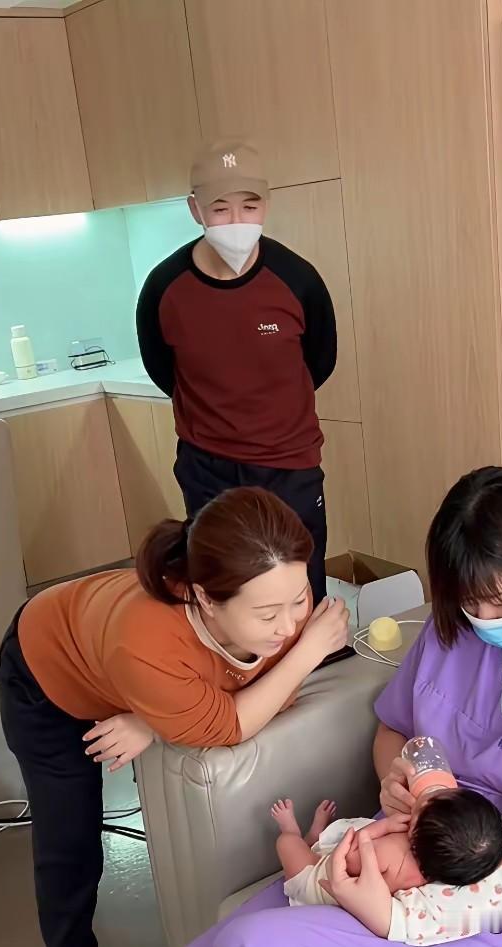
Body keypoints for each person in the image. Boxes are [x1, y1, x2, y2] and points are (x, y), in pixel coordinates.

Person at [189, 467, 502, 947]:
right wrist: (395, 780)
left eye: (498, 603)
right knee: (233, 937)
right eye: (469, 601)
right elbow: (393, 730)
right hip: (393, 853)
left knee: (254, 940)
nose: (482, 619)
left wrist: (396, 919)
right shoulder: (455, 628)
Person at [0, 487, 349, 947]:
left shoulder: (274, 598)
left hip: (126, 664)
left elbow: (270, 694)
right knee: (70, 839)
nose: (288, 626)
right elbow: (230, 723)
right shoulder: (146, 643)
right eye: (267, 616)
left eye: (300, 600)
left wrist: (153, 719)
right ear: (205, 598)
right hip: (45, 670)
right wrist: (308, 652)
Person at [136, 138, 337, 605]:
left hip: (289, 463)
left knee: (300, 579)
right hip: (208, 465)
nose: (237, 221)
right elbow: (163, 371)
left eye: (249, 206)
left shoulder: (297, 280)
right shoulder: (165, 288)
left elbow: (319, 362)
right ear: (195, 209)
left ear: (267, 203)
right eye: (220, 209)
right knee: (222, 586)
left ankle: (311, 649)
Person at [271, 787, 502, 909]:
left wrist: (382, 827)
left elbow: (348, 858)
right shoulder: (431, 871)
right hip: (342, 874)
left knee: (287, 844)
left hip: (316, 881)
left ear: (417, 829)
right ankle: (314, 838)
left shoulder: (392, 852)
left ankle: (296, 833)